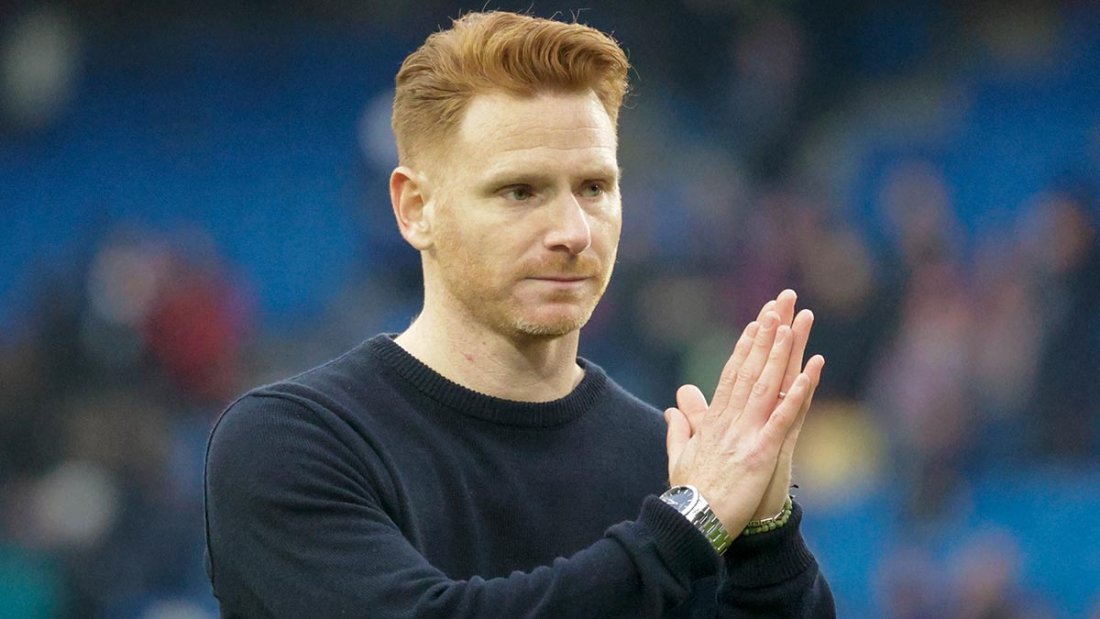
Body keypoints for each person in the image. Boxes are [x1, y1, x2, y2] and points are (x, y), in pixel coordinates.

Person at [204, 11, 833, 618]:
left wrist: (766, 539)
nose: (573, 232)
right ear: (415, 208)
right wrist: (690, 522)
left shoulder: (668, 464)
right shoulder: (290, 443)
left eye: (594, 187)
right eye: (520, 191)